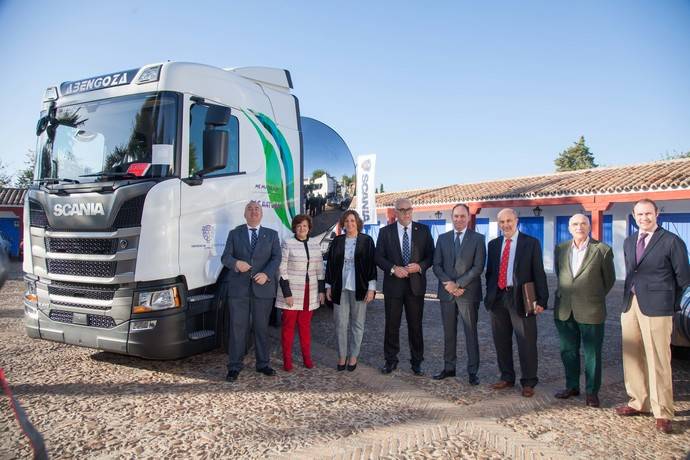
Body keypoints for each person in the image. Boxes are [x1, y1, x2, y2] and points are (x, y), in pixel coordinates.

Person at [615, 199, 690, 434]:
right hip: (631, 305)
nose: (644, 218)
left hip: (658, 308)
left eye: (648, 213)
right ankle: (639, 401)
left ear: (657, 214)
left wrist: (670, 304)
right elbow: (631, 273)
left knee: (658, 359)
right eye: (640, 214)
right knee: (632, 355)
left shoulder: (671, 241)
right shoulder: (629, 241)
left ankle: (663, 411)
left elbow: (684, 280)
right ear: (634, 216)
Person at [484, 208, 548, 397]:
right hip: (498, 298)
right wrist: (490, 294)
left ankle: (528, 381)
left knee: (526, 340)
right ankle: (507, 376)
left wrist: (541, 300)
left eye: (509, 221)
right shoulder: (494, 245)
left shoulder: (531, 243)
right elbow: (490, 273)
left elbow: (539, 273)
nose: (506, 225)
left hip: (521, 298)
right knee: (501, 340)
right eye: (502, 222)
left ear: (516, 220)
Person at [553, 213, 615, 407]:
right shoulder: (561, 249)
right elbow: (560, 273)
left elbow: (609, 280)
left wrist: (591, 295)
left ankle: (591, 392)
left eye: (583, 224)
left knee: (592, 353)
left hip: (591, 310)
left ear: (589, 226)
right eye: (575, 224)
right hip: (564, 309)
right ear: (569, 228)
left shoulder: (602, 250)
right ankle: (572, 386)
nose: (579, 227)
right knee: (568, 351)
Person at [221, 201, 281, 382]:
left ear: (262, 214)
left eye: (257, 209)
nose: (254, 211)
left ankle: (263, 364)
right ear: (244, 214)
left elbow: (276, 257)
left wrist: (267, 274)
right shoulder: (234, 233)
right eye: (250, 209)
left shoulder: (271, 235)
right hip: (238, 290)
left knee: (261, 328)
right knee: (238, 329)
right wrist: (236, 264)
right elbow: (225, 257)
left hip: (263, 289)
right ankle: (234, 366)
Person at [375, 198, 434, 375]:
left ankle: (417, 362)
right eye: (401, 210)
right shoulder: (385, 232)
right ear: (395, 212)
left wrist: (420, 266)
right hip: (393, 287)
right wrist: (393, 268)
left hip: (415, 287)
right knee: (391, 325)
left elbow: (431, 255)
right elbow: (378, 257)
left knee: (415, 326)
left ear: (412, 210)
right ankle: (390, 360)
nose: (406, 212)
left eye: (408, 209)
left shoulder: (423, 231)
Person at [432, 203, 486, 385]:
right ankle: (449, 368)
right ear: (452, 217)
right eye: (456, 216)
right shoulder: (442, 238)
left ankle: (473, 372)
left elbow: (478, 267)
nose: (459, 219)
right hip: (447, 293)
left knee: (470, 332)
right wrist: (448, 284)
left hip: (468, 293)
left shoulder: (478, 238)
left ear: (468, 218)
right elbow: (436, 265)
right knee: (449, 332)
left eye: (463, 216)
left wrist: (459, 284)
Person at [325, 210, 377, 372]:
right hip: (340, 287)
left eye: (353, 221)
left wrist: (371, 288)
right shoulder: (337, 241)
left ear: (358, 223)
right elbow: (331, 265)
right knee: (340, 324)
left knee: (358, 324)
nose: (350, 224)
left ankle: (353, 356)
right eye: (346, 221)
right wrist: (327, 286)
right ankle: (342, 355)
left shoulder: (367, 241)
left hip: (360, 287)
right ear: (343, 223)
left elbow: (371, 266)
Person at [276, 214, 325, 371]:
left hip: (309, 293)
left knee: (305, 327)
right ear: (294, 228)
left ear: (309, 228)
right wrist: (286, 292)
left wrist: (322, 291)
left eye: (304, 225)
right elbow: (281, 268)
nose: (302, 228)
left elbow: (319, 269)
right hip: (291, 292)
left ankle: (307, 358)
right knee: (288, 328)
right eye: (298, 226)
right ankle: (287, 360)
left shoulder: (314, 244)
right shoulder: (287, 243)